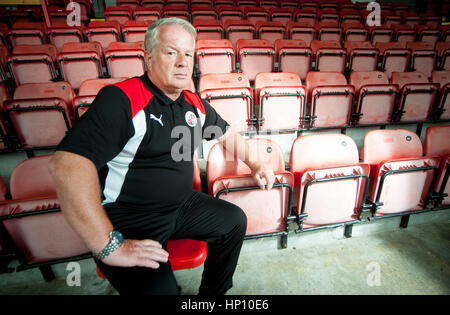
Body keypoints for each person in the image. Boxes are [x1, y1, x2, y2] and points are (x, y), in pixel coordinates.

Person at [48, 17, 275, 295]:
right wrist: (109, 246)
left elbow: (226, 134)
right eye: (171, 52)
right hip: (130, 218)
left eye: (188, 54)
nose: (182, 62)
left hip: (181, 206)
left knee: (233, 221)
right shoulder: (122, 99)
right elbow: (67, 165)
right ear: (149, 57)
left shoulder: (193, 103)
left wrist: (255, 162)